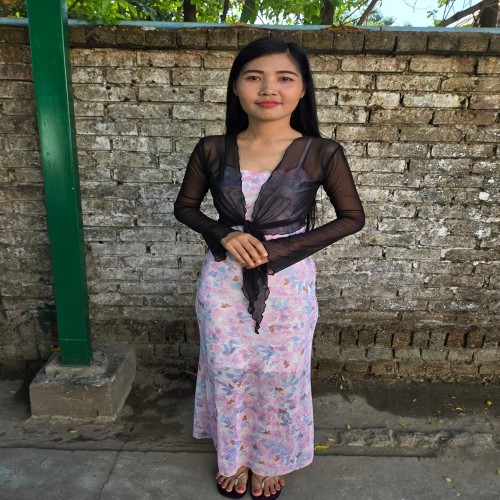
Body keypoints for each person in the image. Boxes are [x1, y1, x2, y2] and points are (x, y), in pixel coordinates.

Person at [174, 36, 365, 499]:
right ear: (236, 86)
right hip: (223, 280)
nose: (268, 88)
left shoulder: (321, 152)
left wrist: (281, 250)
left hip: (288, 282)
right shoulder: (212, 149)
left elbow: (352, 218)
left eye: (284, 78)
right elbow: (186, 207)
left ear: (302, 90)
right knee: (227, 368)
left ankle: (271, 459)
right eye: (254, 77)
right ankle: (235, 456)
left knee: (281, 372)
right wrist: (224, 233)